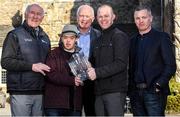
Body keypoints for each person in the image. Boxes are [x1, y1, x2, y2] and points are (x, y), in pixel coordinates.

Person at [1, 4, 51, 116]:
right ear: (25, 14)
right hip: (21, 93)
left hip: (40, 92)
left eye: (39, 14)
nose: (35, 16)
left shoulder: (45, 38)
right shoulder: (14, 35)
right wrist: (32, 66)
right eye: (32, 13)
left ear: (42, 18)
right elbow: (6, 61)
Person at [128, 5, 176, 116]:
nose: (141, 21)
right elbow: (131, 67)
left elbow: (170, 65)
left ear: (151, 18)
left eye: (143, 17)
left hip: (154, 93)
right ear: (134, 20)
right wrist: (131, 90)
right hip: (136, 94)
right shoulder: (132, 41)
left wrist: (159, 85)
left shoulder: (161, 37)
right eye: (137, 18)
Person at [87, 4, 130, 116]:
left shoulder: (119, 36)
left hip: (114, 91)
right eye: (100, 16)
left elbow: (120, 63)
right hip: (99, 92)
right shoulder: (97, 41)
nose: (103, 19)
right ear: (96, 18)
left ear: (113, 17)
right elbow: (92, 64)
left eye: (106, 16)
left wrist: (96, 72)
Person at [44, 24, 83, 116]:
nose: (68, 41)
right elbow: (51, 75)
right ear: (61, 38)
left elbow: (83, 78)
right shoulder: (53, 54)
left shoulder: (80, 57)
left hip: (74, 106)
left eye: (71, 38)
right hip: (55, 105)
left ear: (76, 39)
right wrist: (72, 80)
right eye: (65, 37)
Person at [76, 4, 101, 116]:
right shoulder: (69, 34)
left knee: (92, 112)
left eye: (87, 16)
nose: (84, 19)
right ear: (77, 18)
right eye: (81, 16)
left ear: (93, 19)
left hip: (92, 82)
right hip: (73, 82)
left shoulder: (99, 35)